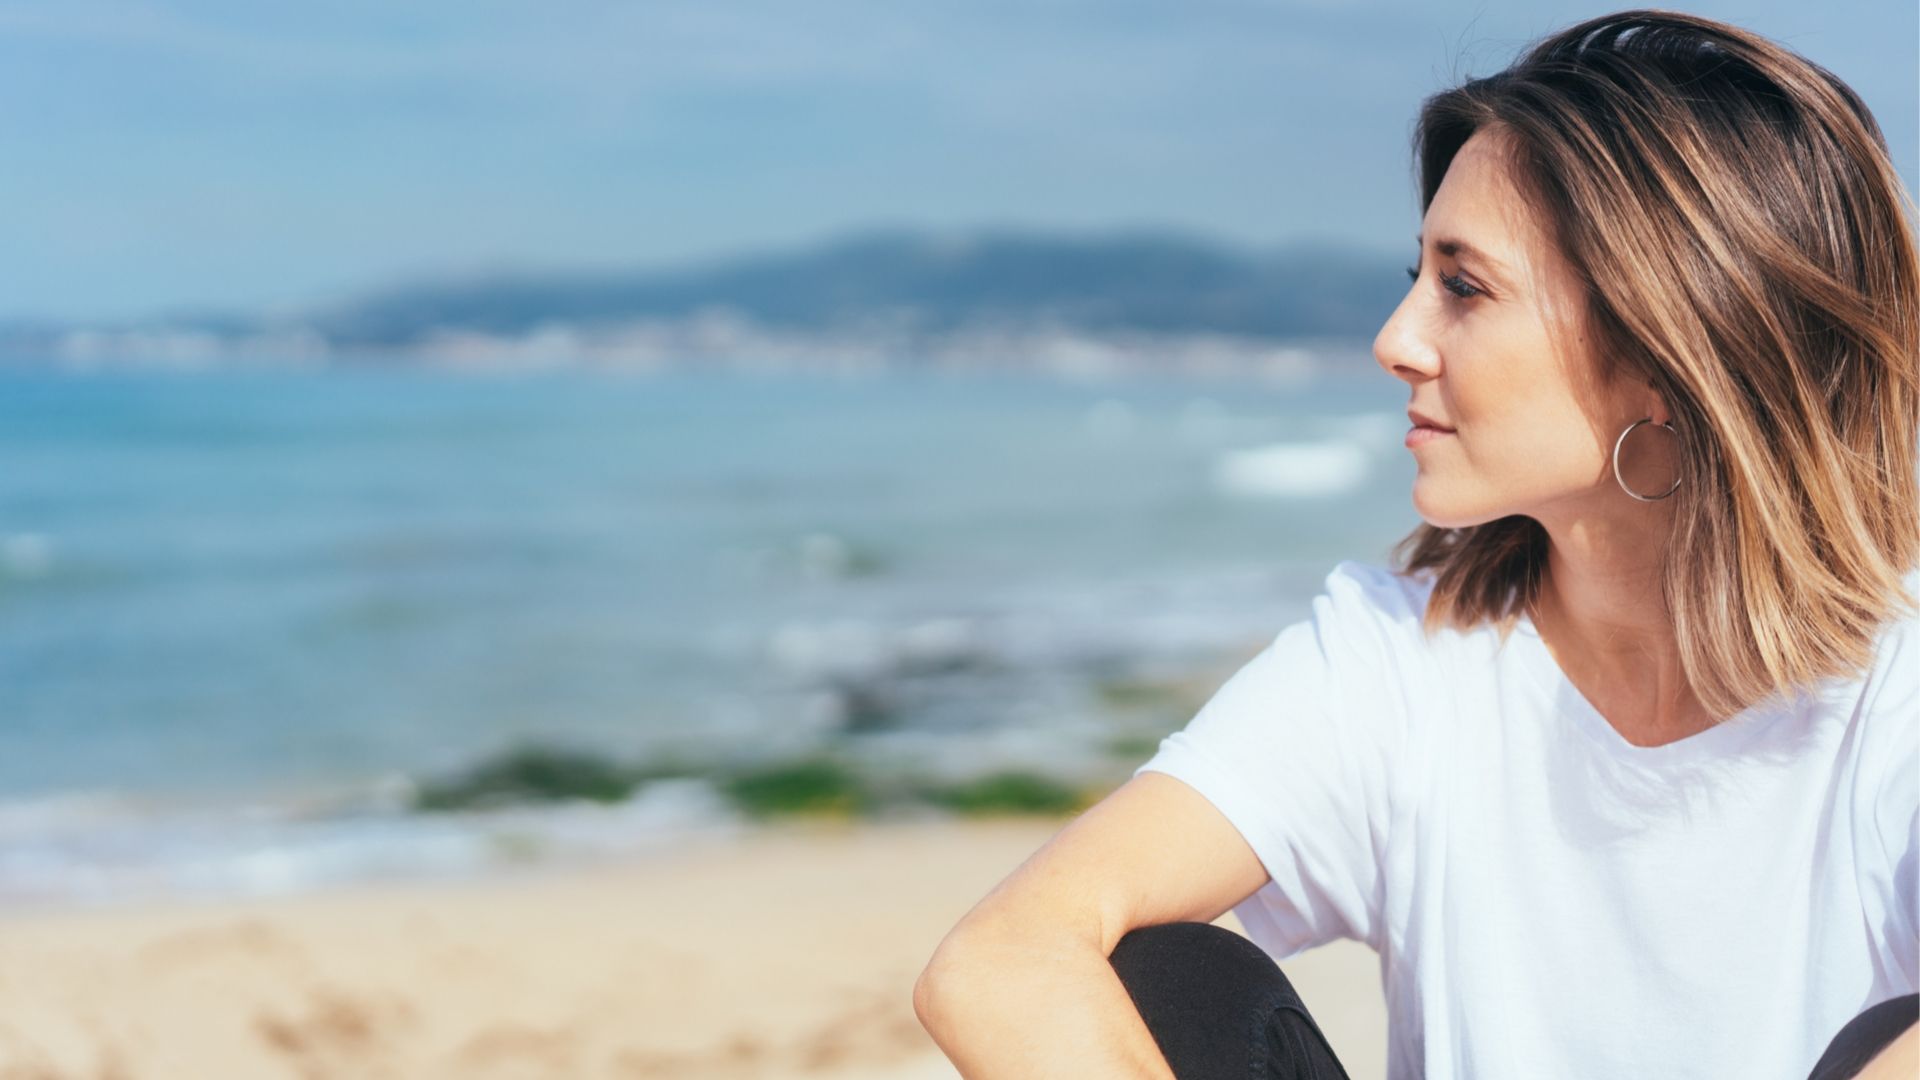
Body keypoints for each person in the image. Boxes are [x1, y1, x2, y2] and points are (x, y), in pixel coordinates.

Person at [912, 9, 1919, 1079]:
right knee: (1164, 985)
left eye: (1465, 287)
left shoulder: (1895, 683)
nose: (1396, 342)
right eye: (1417, 280)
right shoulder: (1400, 659)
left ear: (1667, 354)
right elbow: (1001, 962)